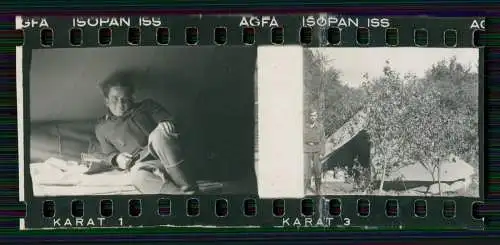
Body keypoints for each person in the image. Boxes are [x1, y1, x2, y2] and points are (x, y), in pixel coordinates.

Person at [95, 71, 197, 195]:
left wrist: (166, 123)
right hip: (143, 163)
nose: (120, 105)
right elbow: (108, 154)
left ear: (132, 98)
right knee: (137, 176)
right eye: (115, 99)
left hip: (169, 155)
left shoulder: (147, 106)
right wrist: (117, 159)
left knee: (158, 134)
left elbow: (168, 121)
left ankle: (188, 187)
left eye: (125, 99)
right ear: (106, 101)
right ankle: (184, 197)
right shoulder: (102, 128)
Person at [304, 110, 326, 195]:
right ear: (309, 117)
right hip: (306, 149)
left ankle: (318, 190)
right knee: (306, 170)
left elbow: (323, 140)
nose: (313, 117)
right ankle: (304, 189)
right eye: (311, 115)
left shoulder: (320, 127)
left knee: (318, 169)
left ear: (316, 116)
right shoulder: (304, 127)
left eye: (314, 115)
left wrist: (322, 152)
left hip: (317, 150)